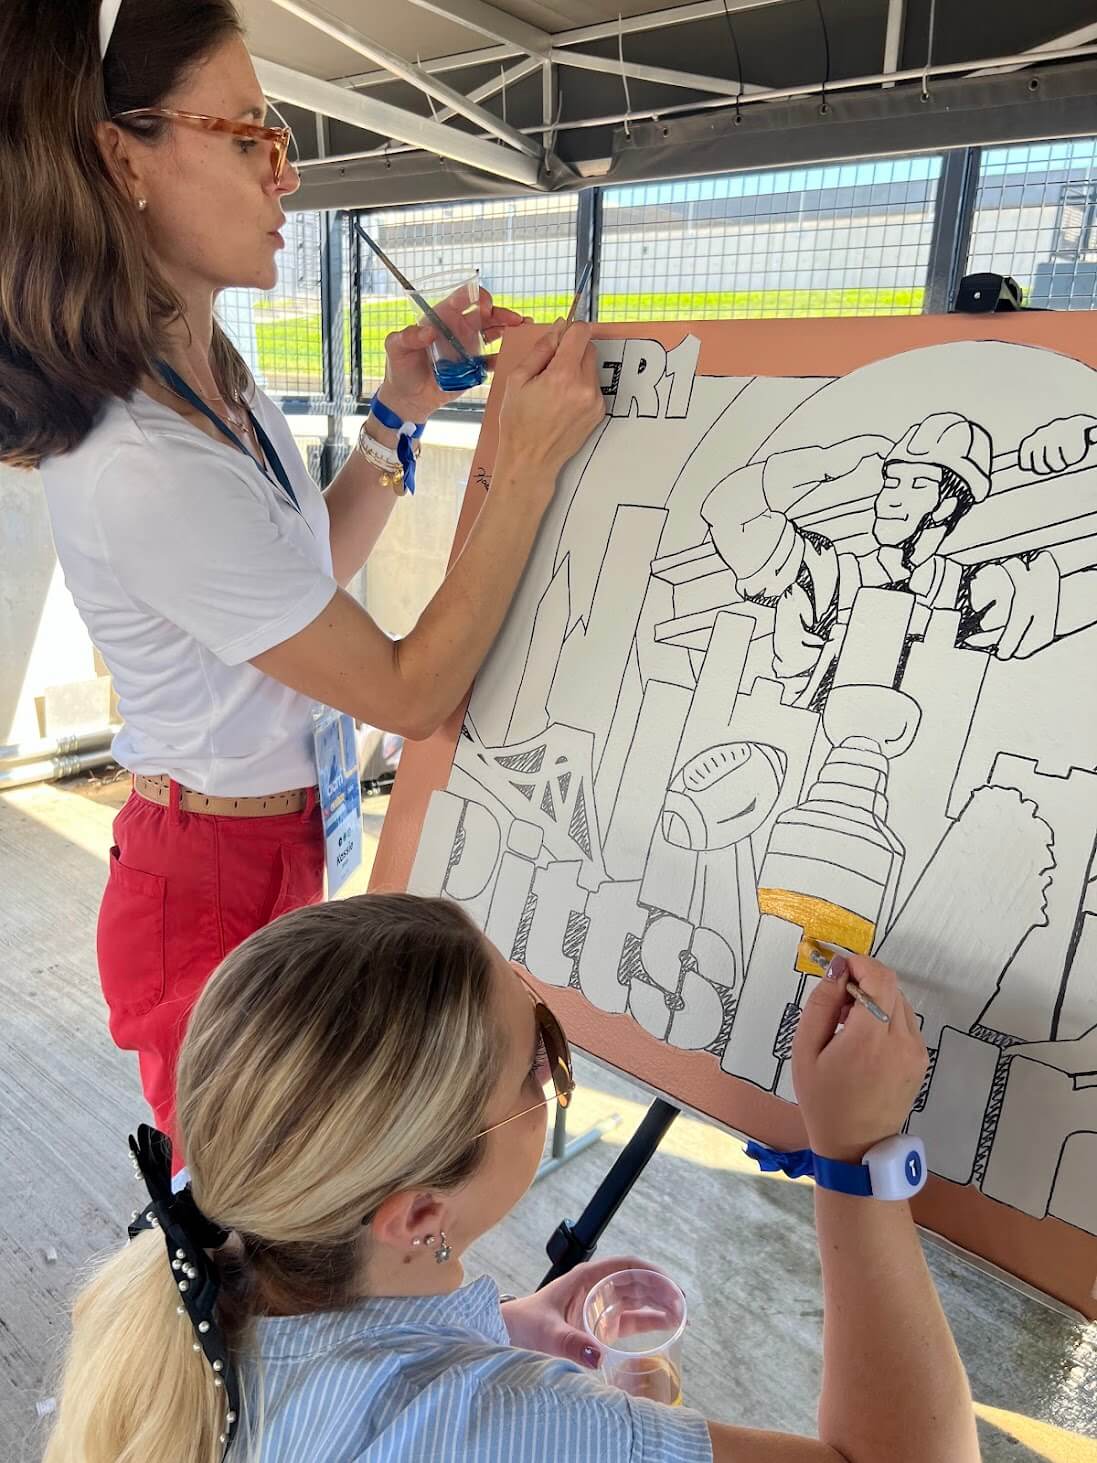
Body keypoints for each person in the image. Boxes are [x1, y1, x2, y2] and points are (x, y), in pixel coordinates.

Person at [0, 0, 604, 1150]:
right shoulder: (143, 459)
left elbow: (301, 578)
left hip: (281, 832)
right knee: (251, 1204)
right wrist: (520, 463)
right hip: (207, 877)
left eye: (277, 144)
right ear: (121, 157)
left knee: (295, 1170)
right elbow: (405, 688)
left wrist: (392, 418)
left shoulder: (213, 378)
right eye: (252, 139)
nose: (285, 178)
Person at [45, 894, 980, 1463]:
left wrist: (485, 1334)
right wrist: (858, 1157)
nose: (555, 1073)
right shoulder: (509, 1432)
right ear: (418, 1214)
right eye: (541, 1064)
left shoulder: (232, 1220)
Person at [700, 409, 1097, 703]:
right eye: (891, 482)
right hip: (789, 762)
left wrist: (1092, 436)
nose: (891, 499)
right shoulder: (827, 576)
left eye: (917, 484)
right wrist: (823, 462)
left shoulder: (980, 595)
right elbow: (726, 514)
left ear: (946, 506)